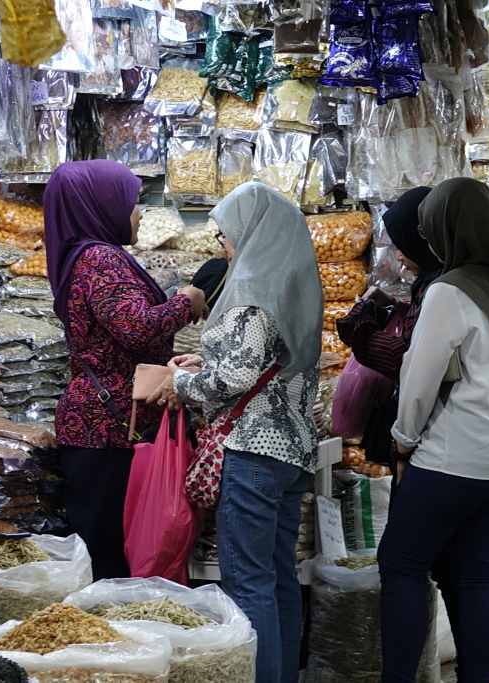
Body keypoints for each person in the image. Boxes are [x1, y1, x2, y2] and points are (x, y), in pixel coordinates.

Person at [379, 178, 489, 683]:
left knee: (402, 565)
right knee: (476, 570)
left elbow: (418, 381)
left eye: (432, 234)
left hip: (465, 454)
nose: (428, 245)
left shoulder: (449, 291)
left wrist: (403, 443)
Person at [151, 182, 322, 683]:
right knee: (278, 578)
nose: (223, 244)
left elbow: (231, 381)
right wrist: (208, 358)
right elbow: (268, 358)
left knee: (248, 584)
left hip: (253, 450)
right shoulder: (293, 284)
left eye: (226, 234)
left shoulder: (250, 293)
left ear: (252, 232)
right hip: (292, 447)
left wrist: (178, 380)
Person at [43, 160, 207, 580]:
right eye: (133, 204)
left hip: (106, 424)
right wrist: (186, 301)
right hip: (108, 429)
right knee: (110, 556)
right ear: (102, 207)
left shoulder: (88, 256)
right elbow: (135, 326)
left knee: (111, 550)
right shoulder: (100, 259)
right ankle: (108, 638)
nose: (138, 214)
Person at [336, 186, 441, 380]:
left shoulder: (442, 289)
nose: (399, 257)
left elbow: (403, 358)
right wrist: (397, 306)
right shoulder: (432, 281)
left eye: (403, 246)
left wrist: (361, 329)